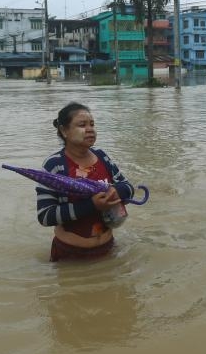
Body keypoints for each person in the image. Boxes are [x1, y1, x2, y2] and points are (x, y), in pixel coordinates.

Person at [36, 102, 135, 262]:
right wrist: (92, 206)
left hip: (108, 249)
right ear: (64, 130)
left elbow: (129, 188)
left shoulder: (102, 157)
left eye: (92, 124)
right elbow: (45, 216)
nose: (90, 129)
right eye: (82, 125)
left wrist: (116, 191)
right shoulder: (54, 165)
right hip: (70, 256)